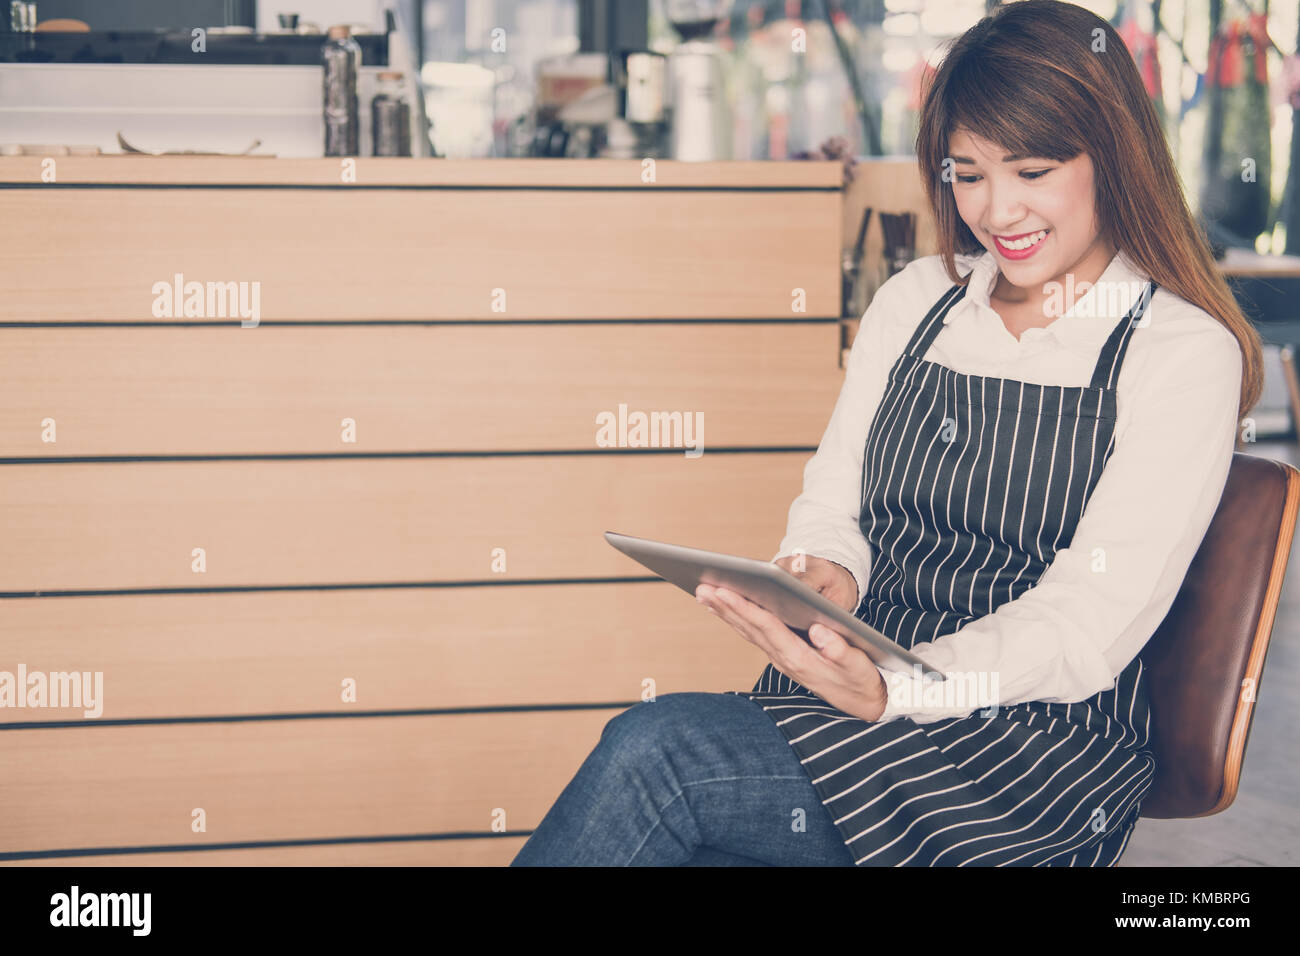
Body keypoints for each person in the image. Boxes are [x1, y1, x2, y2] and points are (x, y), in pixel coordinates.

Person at [511, 0, 1264, 867]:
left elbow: (1088, 628)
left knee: (659, 751)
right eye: (968, 173)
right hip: (847, 702)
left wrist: (900, 686)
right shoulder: (916, 303)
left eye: (1032, 171)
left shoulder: (1179, 352)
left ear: (1114, 157)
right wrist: (823, 573)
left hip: (1027, 755)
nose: (996, 209)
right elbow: (834, 504)